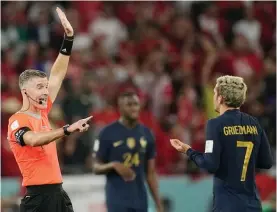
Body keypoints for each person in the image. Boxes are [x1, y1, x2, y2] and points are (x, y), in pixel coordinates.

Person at [7, 7, 92, 212]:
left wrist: (69, 39)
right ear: (25, 92)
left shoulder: (42, 112)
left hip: (58, 194)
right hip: (38, 199)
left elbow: (57, 74)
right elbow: (34, 139)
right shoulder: (17, 121)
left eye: (45, 87)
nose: (45, 91)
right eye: (39, 87)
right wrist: (66, 130)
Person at [170, 75, 273, 212]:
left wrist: (188, 151)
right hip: (252, 205)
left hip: (227, 205)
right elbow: (266, 162)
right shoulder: (254, 123)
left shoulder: (215, 124)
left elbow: (210, 165)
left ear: (221, 98)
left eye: (214, 93)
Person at [93, 91, 163, 212]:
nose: (133, 108)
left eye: (135, 104)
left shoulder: (147, 134)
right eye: (129, 105)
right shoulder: (107, 133)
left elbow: (150, 173)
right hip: (117, 200)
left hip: (140, 199)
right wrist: (114, 165)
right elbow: (95, 167)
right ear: (120, 108)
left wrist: (158, 203)